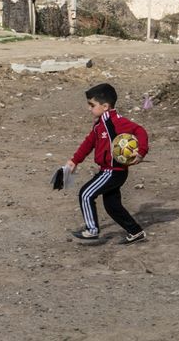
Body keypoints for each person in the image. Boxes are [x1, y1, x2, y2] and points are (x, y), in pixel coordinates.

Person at [60, 82, 146, 243]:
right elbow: (89, 142)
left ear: (105, 106)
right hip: (110, 171)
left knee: (86, 194)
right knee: (112, 205)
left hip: (113, 171)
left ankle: (91, 230)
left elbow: (139, 130)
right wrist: (74, 160)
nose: (89, 108)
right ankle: (136, 232)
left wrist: (141, 152)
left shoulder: (115, 121)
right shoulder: (100, 123)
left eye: (92, 105)